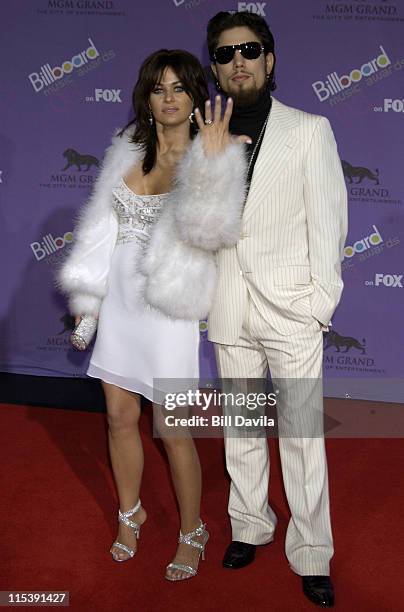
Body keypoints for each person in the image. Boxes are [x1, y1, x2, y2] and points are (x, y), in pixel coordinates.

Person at [58, 48, 249, 581]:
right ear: (146, 97)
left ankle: (193, 530)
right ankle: (130, 513)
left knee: (173, 430)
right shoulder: (124, 150)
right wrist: (89, 306)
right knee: (119, 418)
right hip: (119, 303)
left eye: (179, 88)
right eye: (158, 88)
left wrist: (213, 167)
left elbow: (210, 233)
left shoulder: (213, 154)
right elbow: (99, 232)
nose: (168, 98)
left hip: (168, 310)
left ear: (194, 98)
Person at [206, 11, 348, 607]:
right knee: (240, 428)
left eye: (250, 48)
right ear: (215, 68)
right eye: (224, 52)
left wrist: (318, 304)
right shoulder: (200, 130)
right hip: (227, 301)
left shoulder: (310, 129)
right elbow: (192, 225)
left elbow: (330, 220)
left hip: (291, 308)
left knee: (300, 435)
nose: (238, 59)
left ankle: (312, 550)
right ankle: (250, 525)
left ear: (270, 60)